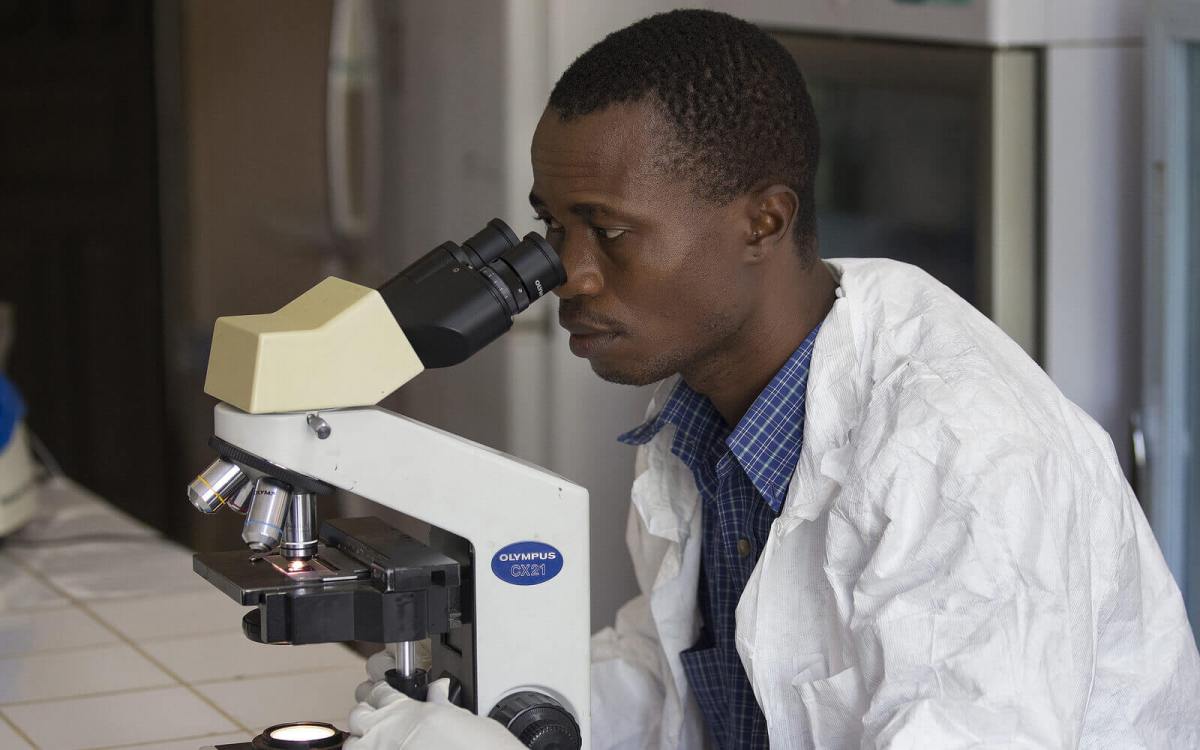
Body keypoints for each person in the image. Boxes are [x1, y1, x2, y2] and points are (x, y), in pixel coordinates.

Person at [346, 9, 1200, 749]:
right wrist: (499, 718)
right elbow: (684, 677)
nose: (569, 275)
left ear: (765, 220)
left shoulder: (967, 460)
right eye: (552, 227)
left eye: (607, 231)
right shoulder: (702, 411)